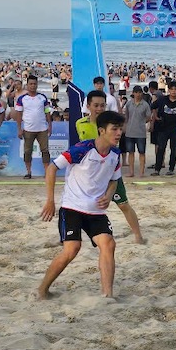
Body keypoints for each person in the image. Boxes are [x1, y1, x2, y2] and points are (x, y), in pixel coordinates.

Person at [38, 110, 125, 299]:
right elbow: (52, 168)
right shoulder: (81, 149)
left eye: (120, 129)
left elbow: (114, 180)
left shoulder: (116, 154)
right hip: (72, 207)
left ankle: (107, 295)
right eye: (114, 129)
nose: (118, 133)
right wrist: (50, 201)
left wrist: (109, 195)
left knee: (108, 244)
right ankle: (42, 290)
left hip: (95, 210)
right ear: (102, 130)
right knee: (72, 249)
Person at [77, 91, 144, 244]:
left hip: (109, 171)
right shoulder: (80, 123)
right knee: (77, 206)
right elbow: (79, 147)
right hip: (90, 174)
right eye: (96, 105)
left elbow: (114, 147)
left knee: (123, 204)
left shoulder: (112, 125)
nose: (99, 108)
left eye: (102, 105)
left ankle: (138, 236)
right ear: (88, 106)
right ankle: (68, 238)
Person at [150, 80, 176, 176]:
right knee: (161, 148)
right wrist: (155, 116)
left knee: (174, 149)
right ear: (168, 90)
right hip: (162, 128)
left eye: (175, 89)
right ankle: (157, 169)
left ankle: (171, 169)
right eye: (171, 89)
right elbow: (152, 106)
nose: (173, 91)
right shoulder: (162, 100)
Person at [15, 75, 52, 180]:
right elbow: (18, 114)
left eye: (35, 84)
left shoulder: (42, 98)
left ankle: (47, 172)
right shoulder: (22, 99)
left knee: (45, 151)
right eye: (31, 84)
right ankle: (28, 172)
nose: (33, 86)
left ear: (37, 85)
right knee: (27, 151)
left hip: (42, 129)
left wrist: (50, 125)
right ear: (27, 85)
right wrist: (19, 128)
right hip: (28, 129)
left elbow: (47, 112)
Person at [121, 85, 151, 177]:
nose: (138, 94)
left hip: (141, 133)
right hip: (130, 132)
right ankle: (131, 172)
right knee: (131, 152)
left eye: (139, 92)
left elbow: (148, 117)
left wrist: (141, 123)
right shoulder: (129, 104)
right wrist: (125, 128)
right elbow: (126, 117)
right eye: (136, 92)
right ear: (133, 93)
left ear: (142, 93)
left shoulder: (145, 105)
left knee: (142, 152)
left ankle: (141, 172)